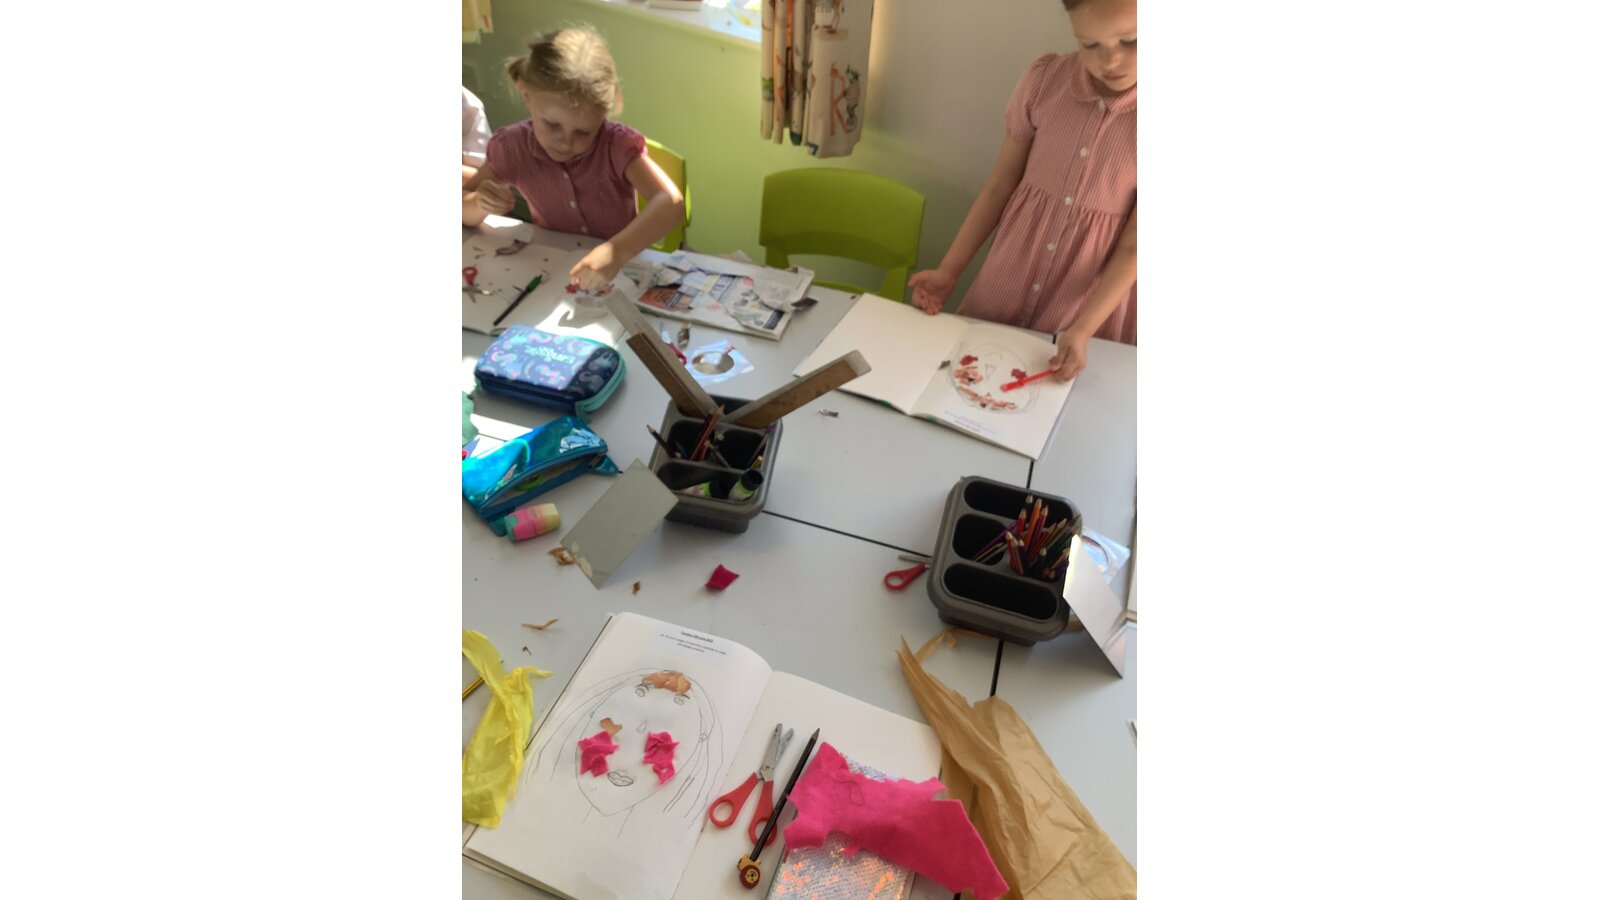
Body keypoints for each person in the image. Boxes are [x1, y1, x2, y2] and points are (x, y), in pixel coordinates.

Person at [907, 0, 1136, 381]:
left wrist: (1082, 328)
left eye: (1131, 41)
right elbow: (999, 186)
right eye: (1090, 44)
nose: (1109, 60)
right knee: (968, 379)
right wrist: (949, 270)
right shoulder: (1046, 81)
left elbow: (1134, 246)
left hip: (1089, 303)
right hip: (1009, 276)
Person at [462, 27, 685, 291]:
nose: (566, 142)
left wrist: (616, 251)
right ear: (527, 96)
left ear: (603, 114)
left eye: (583, 132)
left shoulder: (615, 145)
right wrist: (479, 202)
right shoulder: (512, 147)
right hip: (553, 268)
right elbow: (462, 208)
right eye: (552, 125)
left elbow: (670, 202)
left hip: (620, 272)